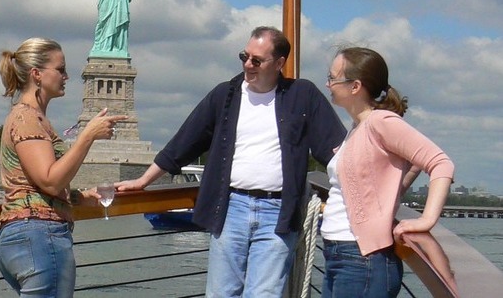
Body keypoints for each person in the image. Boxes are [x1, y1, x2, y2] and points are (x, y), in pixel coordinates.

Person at [116, 26, 347, 297]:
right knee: (222, 293)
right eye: (244, 56)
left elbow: (339, 153)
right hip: (231, 209)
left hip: (278, 213)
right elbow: (184, 142)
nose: (248, 64)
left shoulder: (302, 95)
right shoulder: (224, 95)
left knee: (263, 294)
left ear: (280, 63)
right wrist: (144, 180)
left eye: (257, 60)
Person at [0, 37, 127, 297]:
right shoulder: (27, 118)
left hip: (23, 237)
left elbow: (34, 183)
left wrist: (77, 197)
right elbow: (49, 180)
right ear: (37, 74)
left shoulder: (30, 117)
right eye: (61, 69)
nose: (67, 76)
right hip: (39, 236)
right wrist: (87, 136)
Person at [321, 47, 454, 298]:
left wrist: (427, 220)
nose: (327, 84)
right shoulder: (358, 127)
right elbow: (407, 164)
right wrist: (389, 192)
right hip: (340, 254)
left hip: (361, 260)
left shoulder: (380, 122)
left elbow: (439, 162)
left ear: (355, 86)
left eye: (332, 78)